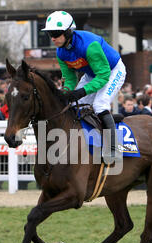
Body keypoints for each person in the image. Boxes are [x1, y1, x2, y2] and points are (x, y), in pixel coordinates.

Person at [42, 10, 126, 164]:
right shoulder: (61, 52)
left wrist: (82, 91)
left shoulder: (89, 45)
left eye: (55, 33)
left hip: (113, 71)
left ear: (68, 32)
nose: (53, 38)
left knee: (100, 104)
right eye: (50, 34)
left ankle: (114, 148)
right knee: (74, 106)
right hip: (92, 74)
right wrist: (66, 92)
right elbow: (70, 78)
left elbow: (103, 76)